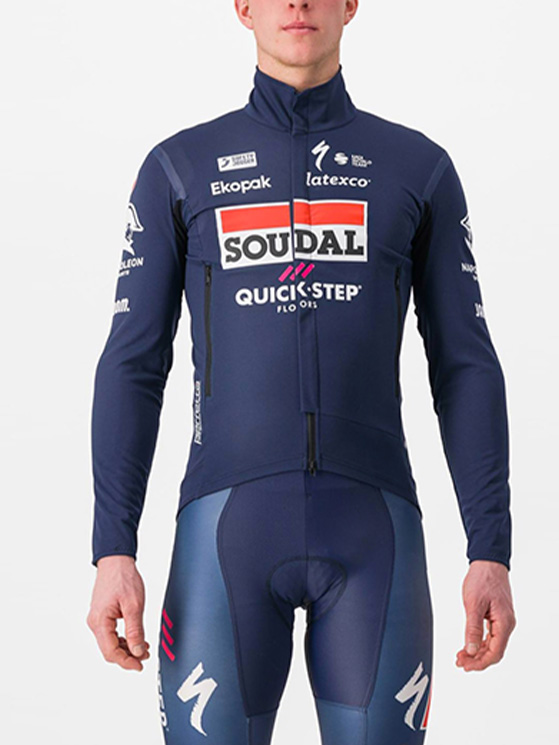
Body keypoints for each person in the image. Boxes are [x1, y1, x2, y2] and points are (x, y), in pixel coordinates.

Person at [86, 1, 517, 743]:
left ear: (350, 4)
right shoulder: (179, 168)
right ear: (242, 7)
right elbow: (132, 363)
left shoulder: (417, 168)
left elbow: (465, 363)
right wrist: (111, 548)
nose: (296, 3)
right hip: (224, 536)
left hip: (375, 536)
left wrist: (490, 549)